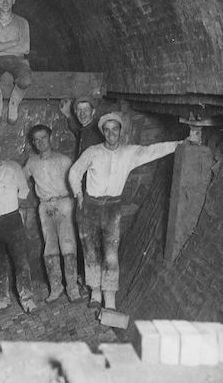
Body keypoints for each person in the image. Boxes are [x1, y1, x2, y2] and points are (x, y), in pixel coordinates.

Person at [68, 112, 183, 310]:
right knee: (91, 251)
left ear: (120, 131)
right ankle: (95, 293)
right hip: (90, 206)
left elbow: (153, 150)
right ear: (102, 132)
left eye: (115, 129)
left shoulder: (129, 152)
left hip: (112, 207)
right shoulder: (92, 151)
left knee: (111, 253)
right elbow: (74, 172)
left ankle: (110, 297)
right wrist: (78, 195)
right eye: (107, 129)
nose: (111, 133)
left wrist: (181, 144)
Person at [0, 135, 37, 313]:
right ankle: (2, 299)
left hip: (13, 220)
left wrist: (11, 206)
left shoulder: (13, 167)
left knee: (21, 260)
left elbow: (24, 190)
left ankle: (27, 299)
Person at [23, 124, 81, 303]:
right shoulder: (31, 162)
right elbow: (20, 180)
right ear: (33, 143)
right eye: (37, 140)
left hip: (64, 204)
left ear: (50, 138)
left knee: (68, 245)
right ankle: (56, 288)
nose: (41, 142)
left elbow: (75, 182)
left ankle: (73, 288)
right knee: (50, 247)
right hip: (45, 207)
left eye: (43, 138)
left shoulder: (64, 160)